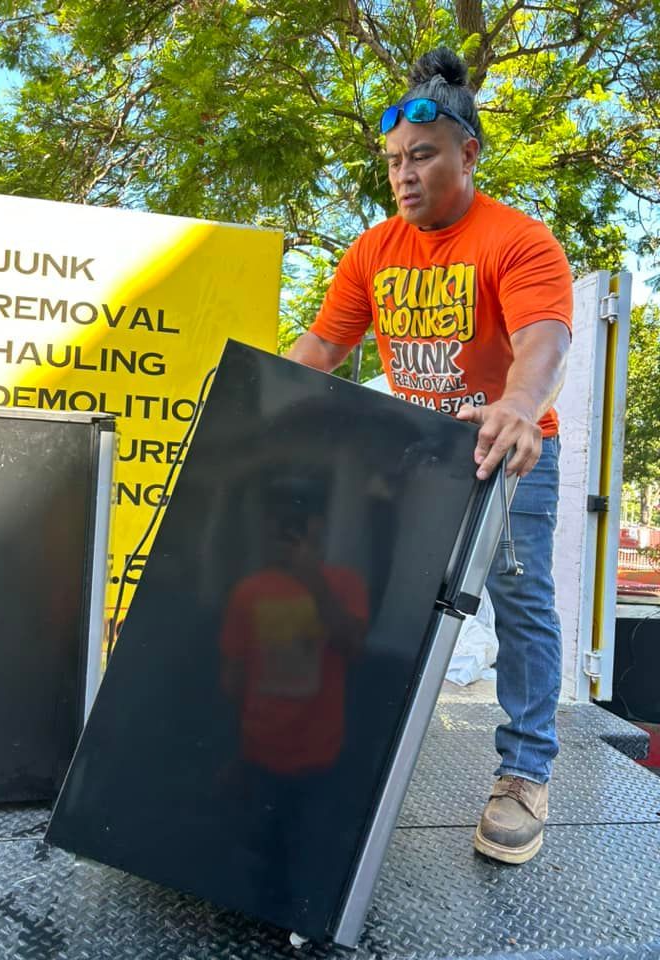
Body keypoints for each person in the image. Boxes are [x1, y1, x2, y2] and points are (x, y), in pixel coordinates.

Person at [285, 46, 572, 865]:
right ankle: (355, 753)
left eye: (422, 156)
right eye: (393, 162)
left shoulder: (519, 240)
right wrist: (256, 397)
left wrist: (519, 404)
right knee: (382, 596)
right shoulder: (373, 251)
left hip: (508, 451)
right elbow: (323, 347)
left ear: (468, 153)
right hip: (414, 453)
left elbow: (544, 342)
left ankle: (524, 775)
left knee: (520, 607)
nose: (404, 175)